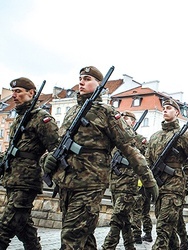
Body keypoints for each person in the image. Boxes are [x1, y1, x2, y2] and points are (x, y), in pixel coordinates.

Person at [42, 66, 159, 250]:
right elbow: (58, 144)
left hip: (90, 186)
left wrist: (148, 181)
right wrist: (47, 159)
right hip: (67, 184)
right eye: (80, 78)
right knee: (85, 240)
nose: (81, 82)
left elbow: (130, 149)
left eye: (87, 78)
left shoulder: (107, 112)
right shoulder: (72, 112)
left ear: (99, 85)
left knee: (70, 239)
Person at [146, 98, 188, 250]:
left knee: (162, 230)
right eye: (164, 107)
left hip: (175, 188)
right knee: (169, 232)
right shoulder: (154, 137)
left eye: (169, 108)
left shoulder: (183, 136)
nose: (165, 110)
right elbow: (147, 163)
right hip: (159, 187)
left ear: (177, 112)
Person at [0, 77, 59, 249]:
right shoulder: (18, 119)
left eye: (18, 91)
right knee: (24, 228)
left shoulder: (42, 118)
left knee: (4, 228)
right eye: (13, 92)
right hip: (12, 179)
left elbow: (56, 148)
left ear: (31, 93)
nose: (14, 95)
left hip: (27, 182)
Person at [102, 111, 146, 249]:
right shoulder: (113, 138)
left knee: (117, 218)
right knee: (124, 219)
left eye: (126, 119)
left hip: (128, 185)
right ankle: (130, 246)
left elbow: (145, 160)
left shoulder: (138, 139)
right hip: (115, 183)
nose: (122, 121)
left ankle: (108, 246)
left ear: (133, 122)